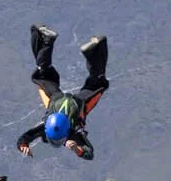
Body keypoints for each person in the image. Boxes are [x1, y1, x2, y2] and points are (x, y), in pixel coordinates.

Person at [17, 25, 108, 161]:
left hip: (79, 102)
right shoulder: (46, 126)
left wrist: (78, 150)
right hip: (55, 97)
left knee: (98, 81)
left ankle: (95, 49)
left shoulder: (73, 133)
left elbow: (89, 154)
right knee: (43, 73)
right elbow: (25, 137)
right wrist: (23, 145)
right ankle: (46, 39)